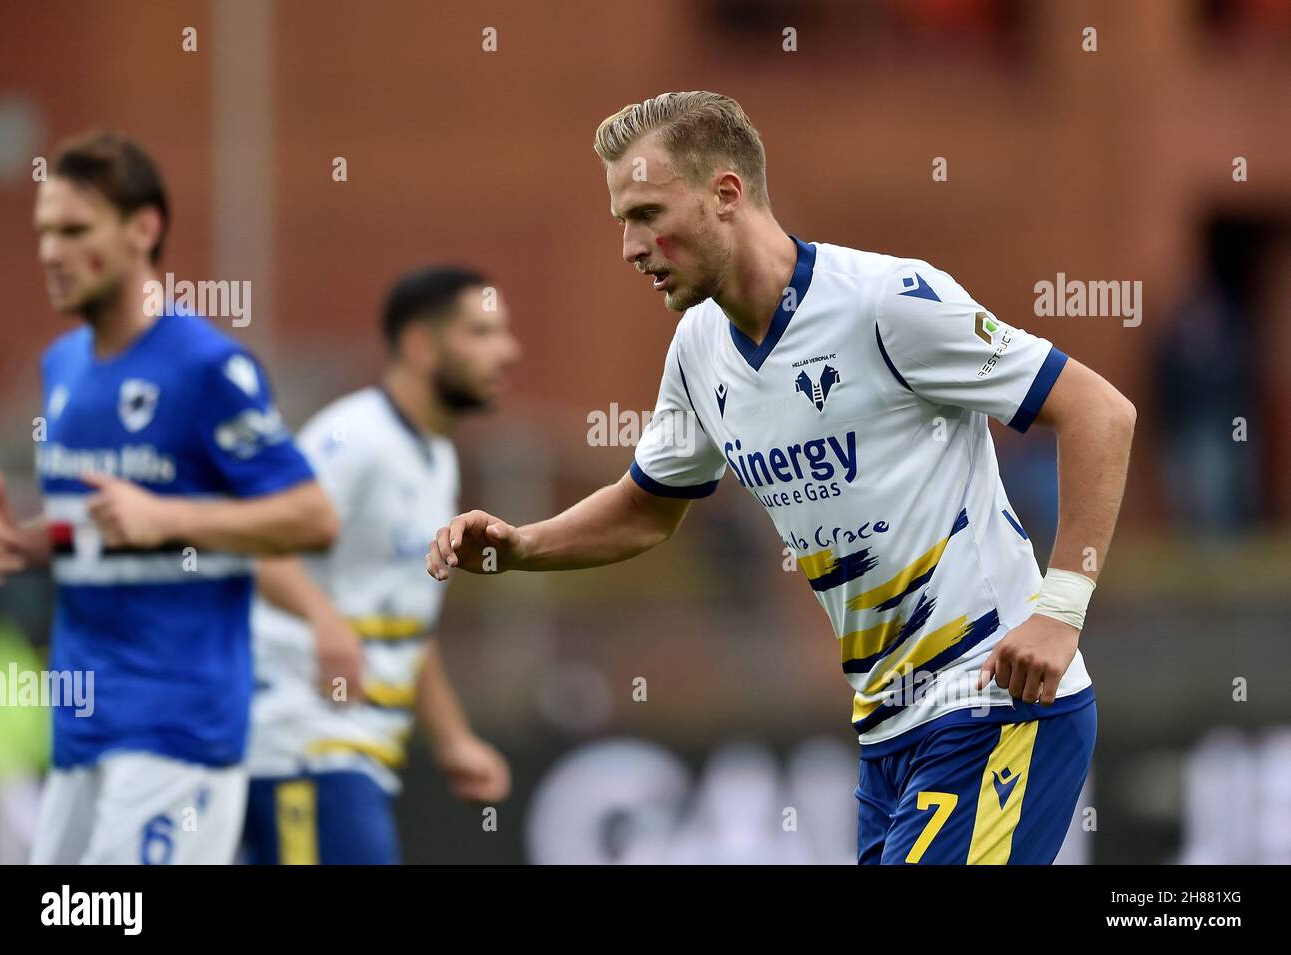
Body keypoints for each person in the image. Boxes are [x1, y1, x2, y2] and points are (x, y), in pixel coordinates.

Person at [425, 92, 1136, 865]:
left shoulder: (886, 303)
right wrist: (520, 544)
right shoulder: (699, 349)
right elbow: (645, 509)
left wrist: (1060, 611)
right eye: (621, 221)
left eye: (645, 213)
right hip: (889, 734)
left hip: (997, 702)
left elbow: (1100, 413)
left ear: (726, 194)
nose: (630, 247)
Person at [0, 131, 338, 864]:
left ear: (143, 229)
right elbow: (98, 527)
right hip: (83, 722)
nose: (51, 251)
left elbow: (312, 515)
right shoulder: (62, 367)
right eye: (44, 231)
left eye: (75, 230)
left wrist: (169, 518)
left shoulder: (206, 367)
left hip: (177, 725)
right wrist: (21, 543)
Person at [241, 267, 517, 864]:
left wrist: (453, 741)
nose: (507, 350)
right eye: (482, 333)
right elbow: (256, 545)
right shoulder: (354, 438)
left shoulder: (435, 455)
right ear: (421, 345)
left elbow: (403, 618)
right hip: (304, 745)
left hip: (355, 754)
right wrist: (324, 620)